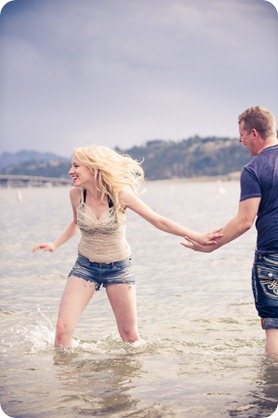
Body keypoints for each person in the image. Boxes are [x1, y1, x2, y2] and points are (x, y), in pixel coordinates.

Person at [33, 145, 221, 349]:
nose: (70, 171)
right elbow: (76, 222)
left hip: (118, 268)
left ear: (94, 168)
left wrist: (197, 236)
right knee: (61, 333)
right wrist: (55, 244)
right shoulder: (76, 195)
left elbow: (158, 221)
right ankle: (67, 380)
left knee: (130, 337)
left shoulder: (120, 195)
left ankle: (131, 379)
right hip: (85, 266)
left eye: (76, 166)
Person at [182, 106, 278, 355]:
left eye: (242, 134)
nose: (240, 139)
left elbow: (245, 220)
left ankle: (271, 389)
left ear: (254, 133)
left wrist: (210, 245)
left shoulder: (254, 169)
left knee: (275, 328)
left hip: (272, 257)